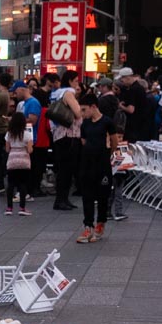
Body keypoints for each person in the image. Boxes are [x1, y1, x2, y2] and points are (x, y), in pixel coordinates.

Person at [74, 94, 115, 243]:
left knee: (103, 195)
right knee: (87, 195)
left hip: (103, 163)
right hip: (87, 162)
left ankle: (100, 222)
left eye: (84, 110)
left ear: (93, 107)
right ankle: (88, 226)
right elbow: (84, 140)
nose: (82, 113)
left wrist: (106, 154)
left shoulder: (107, 122)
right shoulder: (85, 124)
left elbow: (114, 141)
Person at [47, 80, 80, 211]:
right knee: (65, 170)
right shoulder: (68, 93)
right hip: (67, 136)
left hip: (62, 136)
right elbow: (77, 113)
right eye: (76, 81)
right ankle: (61, 200)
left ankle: (64, 199)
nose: (78, 86)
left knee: (66, 169)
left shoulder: (57, 94)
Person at [2, 110, 35, 215]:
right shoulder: (27, 134)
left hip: (12, 160)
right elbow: (30, 150)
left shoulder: (9, 134)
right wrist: (25, 146)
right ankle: (22, 208)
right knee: (22, 184)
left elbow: (7, 149)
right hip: (24, 161)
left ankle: (9, 208)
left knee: (11, 184)